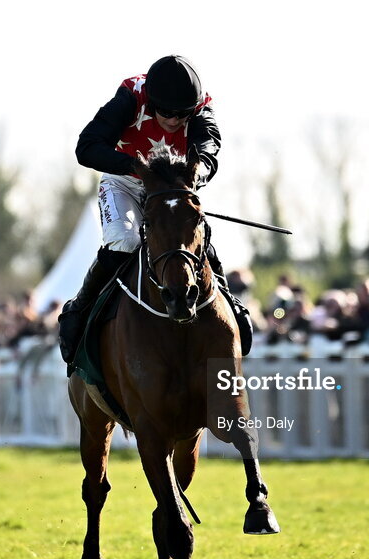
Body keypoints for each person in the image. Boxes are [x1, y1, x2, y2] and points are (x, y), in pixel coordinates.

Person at [58, 55, 241, 366]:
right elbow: (86, 147)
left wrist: (195, 175)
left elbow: (210, 149)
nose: (173, 121)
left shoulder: (201, 108)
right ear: (151, 101)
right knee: (124, 240)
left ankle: (232, 305)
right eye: (166, 113)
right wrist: (134, 166)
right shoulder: (130, 96)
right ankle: (80, 307)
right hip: (125, 181)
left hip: (172, 186)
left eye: (182, 115)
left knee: (190, 239)